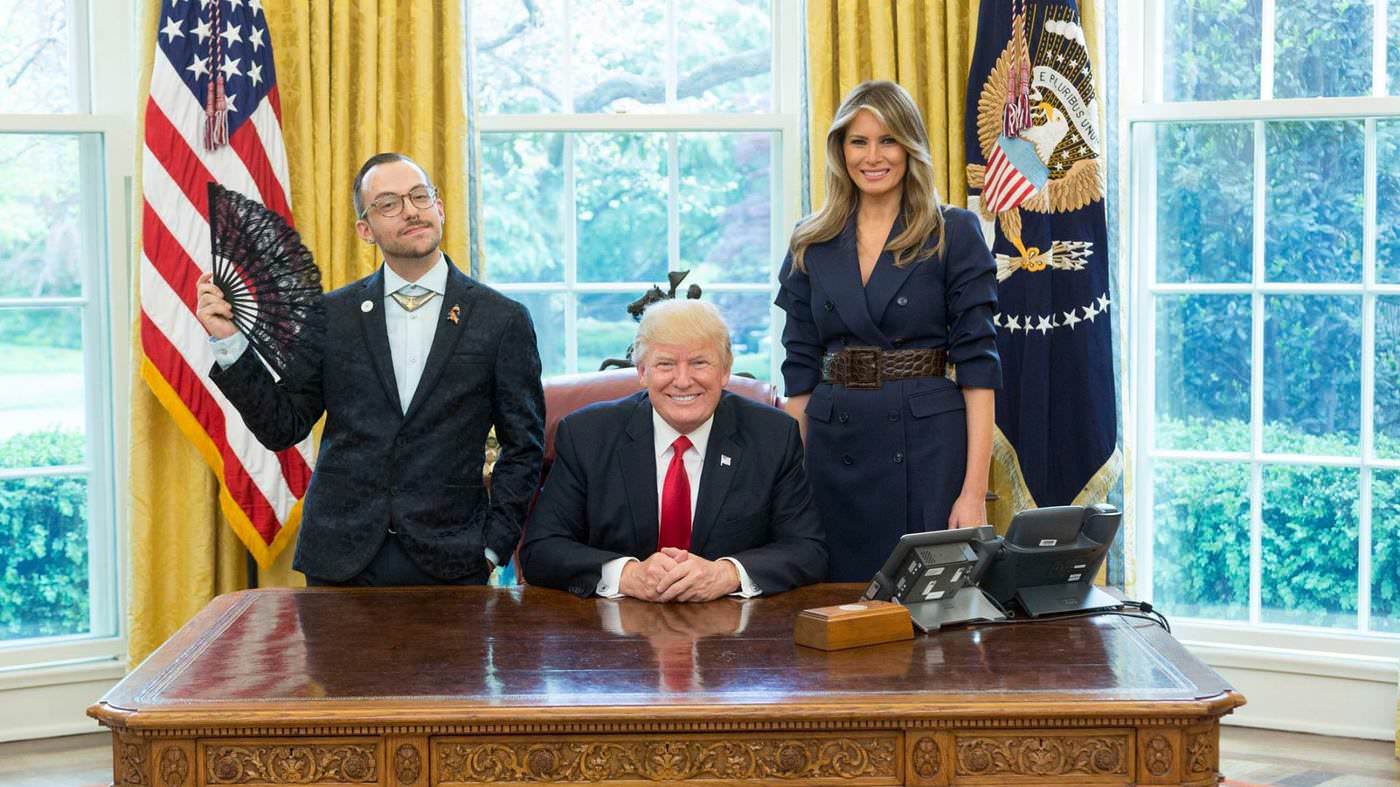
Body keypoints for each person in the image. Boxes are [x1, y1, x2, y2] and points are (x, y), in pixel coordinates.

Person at [195, 152, 545, 586]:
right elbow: (283, 426)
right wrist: (229, 343)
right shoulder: (330, 316)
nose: (411, 210)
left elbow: (524, 446)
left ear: (439, 208)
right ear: (365, 229)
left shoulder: (502, 319)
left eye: (420, 196)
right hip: (340, 560)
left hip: (453, 560)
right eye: (389, 203)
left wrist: (494, 547)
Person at [775, 80, 1001, 583]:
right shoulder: (810, 240)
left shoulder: (953, 231)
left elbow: (979, 372)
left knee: (928, 608)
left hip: (927, 447)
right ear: (841, 150)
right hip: (833, 446)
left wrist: (973, 493)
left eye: (888, 140)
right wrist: (785, 491)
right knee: (832, 606)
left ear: (910, 147)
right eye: (859, 141)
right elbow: (799, 375)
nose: (872, 157)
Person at [520, 300, 827, 601]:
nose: (682, 381)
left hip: (732, 624)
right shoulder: (587, 435)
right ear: (642, 372)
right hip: (614, 625)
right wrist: (627, 575)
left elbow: (808, 549)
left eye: (699, 363)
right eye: (665, 364)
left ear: (725, 370)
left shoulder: (772, 435)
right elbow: (541, 549)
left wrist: (726, 574)